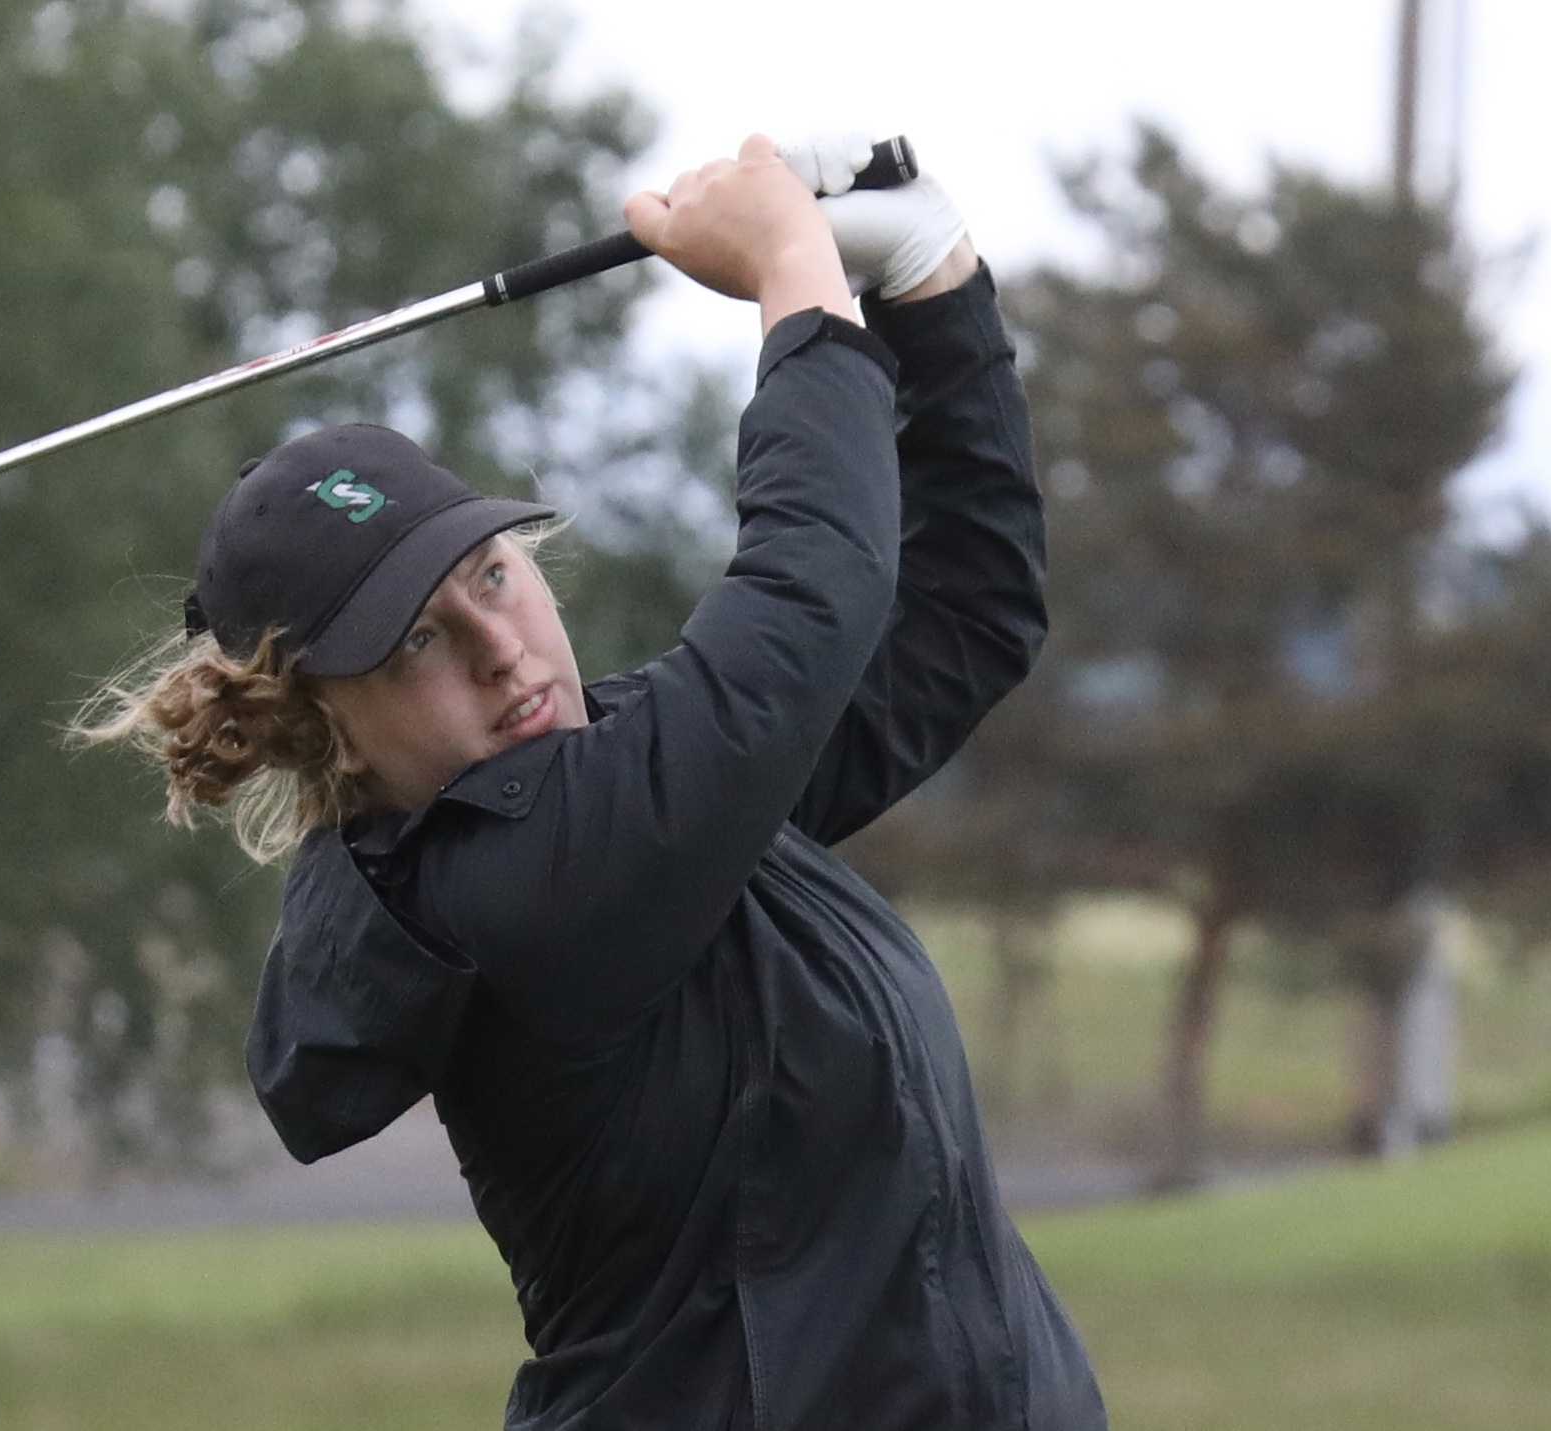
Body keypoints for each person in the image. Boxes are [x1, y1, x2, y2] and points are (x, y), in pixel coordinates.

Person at [77, 133, 1106, 1431]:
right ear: (318, 727)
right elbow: (812, 600)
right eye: (416, 647)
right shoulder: (510, 882)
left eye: (493, 579)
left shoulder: (639, 790)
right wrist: (794, 269)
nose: (503, 652)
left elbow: (967, 612)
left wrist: (930, 284)